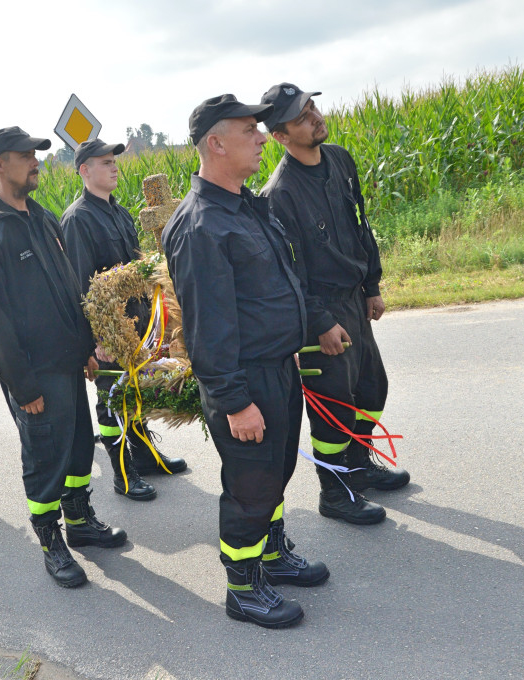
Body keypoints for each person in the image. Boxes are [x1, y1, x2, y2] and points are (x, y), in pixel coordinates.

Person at [162, 95, 329, 628]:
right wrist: (235, 401)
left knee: (275, 474)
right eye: (249, 129)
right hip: (245, 379)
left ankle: (272, 556)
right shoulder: (201, 224)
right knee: (250, 485)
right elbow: (207, 326)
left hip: (278, 368)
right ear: (215, 142)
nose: (262, 137)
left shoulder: (245, 205)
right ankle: (242, 587)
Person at [0, 126, 125, 587]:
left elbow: (72, 290)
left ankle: (80, 522)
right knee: (44, 459)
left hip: (70, 363)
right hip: (34, 374)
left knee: (76, 451)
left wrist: (87, 347)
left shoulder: (44, 217)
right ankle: (51, 543)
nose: (35, 161)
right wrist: (23, 385)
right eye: (25, 155)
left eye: (36, 154)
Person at [259, 83, 409, 526]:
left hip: (352, 299)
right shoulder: (279, 194)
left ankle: (358, 466)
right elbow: (290, 275)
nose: (314, 116)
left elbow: (361, 223)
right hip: (318, 311)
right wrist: (320, 323)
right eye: (301, 116)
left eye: (312, 107)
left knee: (372, 389)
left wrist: (372, 284)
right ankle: (335, 492)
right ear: (281, 136)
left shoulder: (340, 159)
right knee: (332, 405)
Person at [60, 138, 188, 501]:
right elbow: (83, 284)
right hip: (108, 330)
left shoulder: (117, 211)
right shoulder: (78, 219)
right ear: (85, 171)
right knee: (111, 400)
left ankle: (145, 456)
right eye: (105, 162)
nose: (114, 166)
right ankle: (123, 475)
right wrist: (98, 338)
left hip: (136, 323)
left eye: (114, 160)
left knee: (133, 392)